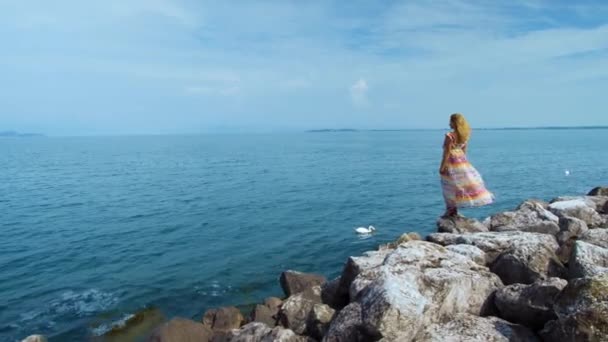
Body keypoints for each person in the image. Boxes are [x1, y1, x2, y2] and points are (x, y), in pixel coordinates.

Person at [439, 113, 494, 217]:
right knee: (461, 184)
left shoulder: (449, 136)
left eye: (450, 121)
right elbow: (464, 150)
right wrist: (464, 164)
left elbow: (446, 153)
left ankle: (451, 210)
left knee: (448, 186)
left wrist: (442, 167)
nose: (449, 123)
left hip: (451, 161)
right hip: (461, 161)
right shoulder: (464, 135)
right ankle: (453, 210)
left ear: (454, 122)